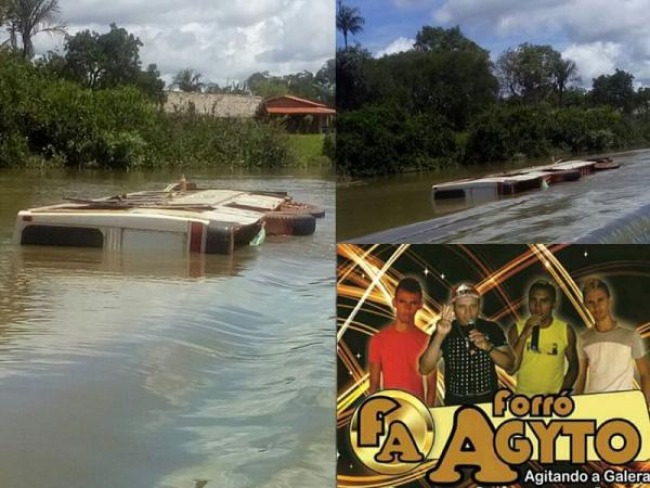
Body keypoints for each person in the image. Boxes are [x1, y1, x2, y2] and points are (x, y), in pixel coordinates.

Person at [418, 283, 514, 406]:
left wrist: (488, 347)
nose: (468, 312)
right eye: (462, 307)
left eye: (473, 306)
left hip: (489, 405)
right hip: (455, 406)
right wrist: (440, 335)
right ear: (453, 308)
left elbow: (510, 365)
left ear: (479, 306)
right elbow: (424, 369)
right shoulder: (446, 330)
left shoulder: (491, 328)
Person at [575, 278, 650, 404]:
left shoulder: (630, 336)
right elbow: (582, 375)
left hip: (622, 405)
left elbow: (644, 374)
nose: (596, 306)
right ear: (585, 305)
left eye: (600, 300)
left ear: (609, 300)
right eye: (590, 302)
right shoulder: (584, 339)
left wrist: (645, 406)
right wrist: (576, 407)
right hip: (594, 404)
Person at [368, 277, 436, 406]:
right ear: (394, 303)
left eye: (413, 303)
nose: (407, 308)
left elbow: (432, 387)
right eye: (402, 301)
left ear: (420, 305)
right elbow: (374, 386)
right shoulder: (378, 340)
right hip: (389, 411)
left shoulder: (427, 341)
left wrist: (428, 416)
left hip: (418, 413)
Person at [507, 279, 579, 396]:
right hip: (523, 401)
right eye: (533, 300)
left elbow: (574, 365)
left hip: (553, 401)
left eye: (544, 301)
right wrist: (524, 335)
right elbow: (511, 369)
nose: (537, 306)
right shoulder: (516, 329)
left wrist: (561, 393)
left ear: (553, 304)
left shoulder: (565, 331)